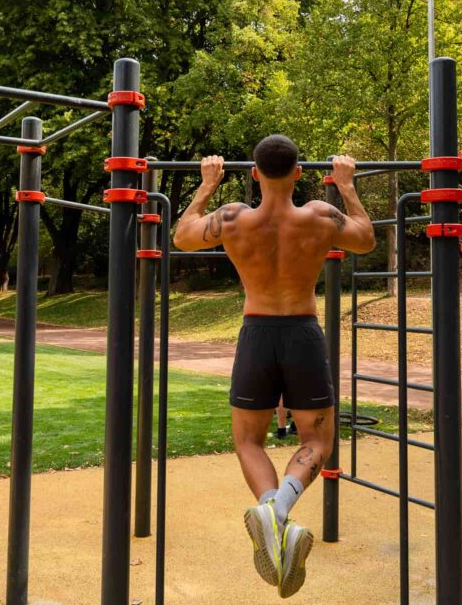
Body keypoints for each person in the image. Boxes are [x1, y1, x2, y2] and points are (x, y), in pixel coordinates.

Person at [174, 135, 375, 598]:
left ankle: (270, 511)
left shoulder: (232, 218)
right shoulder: (320, 217)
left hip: (257, 334)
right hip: (303, 333)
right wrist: (346, 185)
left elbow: (183, 237)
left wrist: (207, 186)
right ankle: (279, 507)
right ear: (300, 173)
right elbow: (364, 240)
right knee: (319, 440)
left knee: (247, 439)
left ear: (254, 174)